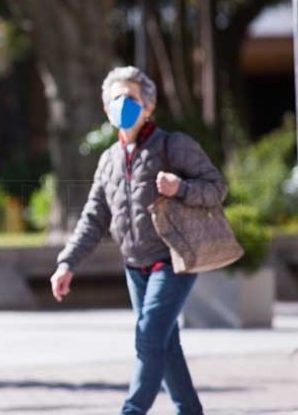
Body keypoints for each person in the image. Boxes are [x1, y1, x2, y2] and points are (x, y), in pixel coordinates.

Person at [50, 66, 226, 415]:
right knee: (165, 343)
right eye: (116, 99)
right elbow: (93, 218)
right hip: (135, 266)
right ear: (106, 109)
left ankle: (131, 411)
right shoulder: (109, 161)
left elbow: (217, 188)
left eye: (131, 98)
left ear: (149, 106)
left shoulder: (173, 146)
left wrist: (181, 188)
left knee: (148, 336)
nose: (123, 104)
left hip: (172, 259)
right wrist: (67, 262)